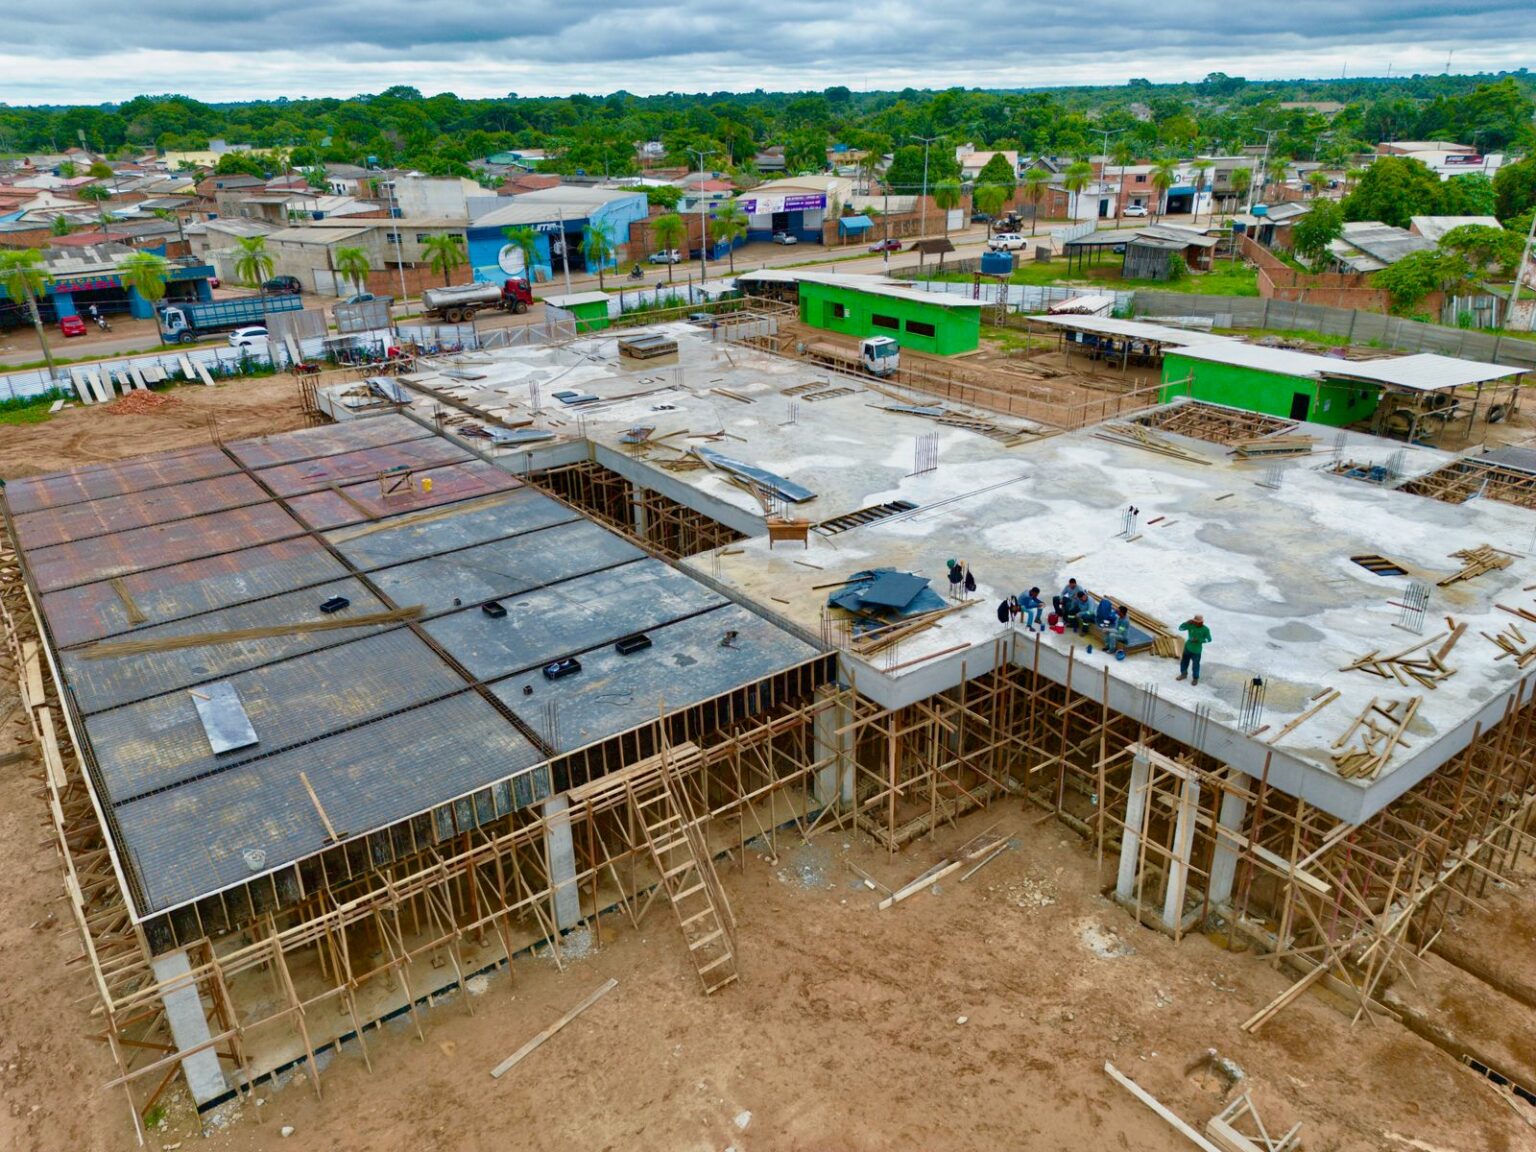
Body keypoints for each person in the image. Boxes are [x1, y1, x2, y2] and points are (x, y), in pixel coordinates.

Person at [1177, 614, 1212, 685]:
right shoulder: (1191, 625)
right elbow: (1180, 628)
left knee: (1195, 665)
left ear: (1201, 622)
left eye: (1197, 622)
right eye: (1194, 621)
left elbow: (1209, 639)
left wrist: (1199, 640)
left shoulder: (1205, 629)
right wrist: (1186, 623)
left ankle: (1195, 678)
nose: (1195, 623)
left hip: (1196, 651)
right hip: (1187, 648)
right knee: (1184, 662)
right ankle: (1183, 674)